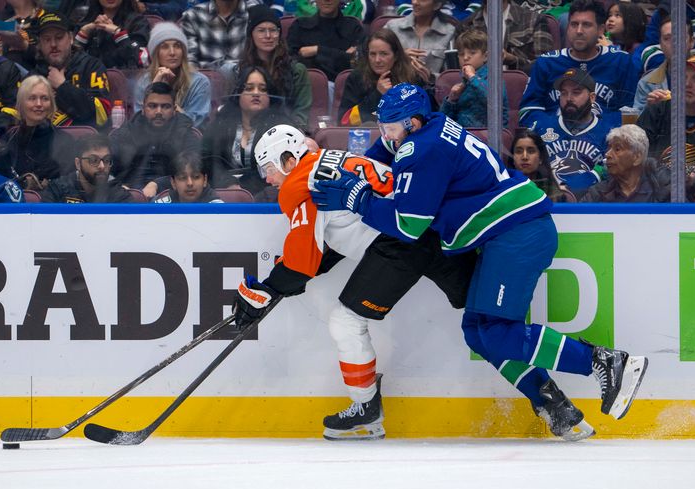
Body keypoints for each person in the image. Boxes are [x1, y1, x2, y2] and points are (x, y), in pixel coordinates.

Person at [310, 83, 648, 429]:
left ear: (412, 123)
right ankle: (554, 405)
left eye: (391, 128)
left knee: (498, 331)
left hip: (516, 234)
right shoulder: (436, 124)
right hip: (512, 232)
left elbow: (408, 226)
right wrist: (360, 169)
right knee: (478, 330)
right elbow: (384, 152)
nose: (386, 135)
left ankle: (604, 362)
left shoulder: (422, 148)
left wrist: (357, 199)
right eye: (383, 127)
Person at [234, 123, 594, 442]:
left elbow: (302, 263)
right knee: (486, 324)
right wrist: (278, 284)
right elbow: (335, 239)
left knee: (345, 320)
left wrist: (266, 290)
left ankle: (365, 412)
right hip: (428, 232)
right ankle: (554, 403)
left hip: (398, 245)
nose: (267, 179)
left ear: (288, 158)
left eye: (268, 168)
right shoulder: (334, 159)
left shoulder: (298, 183)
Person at [519, 0, 637, 128]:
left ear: (601, 30)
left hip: (605, 143)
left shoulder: (621, 61)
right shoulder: (546, 63)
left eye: (586, 25)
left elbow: (630, 112)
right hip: (553, 142)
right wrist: (555, 129)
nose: (579, 31)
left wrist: (598, 128)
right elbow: (527, 111)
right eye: (574, 24)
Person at [636, 55, 695, 202]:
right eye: (682, 77)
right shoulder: (656, 111)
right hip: (654, 198)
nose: (687, 84)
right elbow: (635, 157)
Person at [201, 66, 293, 199]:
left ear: (269, 96)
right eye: (249, 88)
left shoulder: (281, 127)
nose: (256, 93)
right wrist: (227, 182)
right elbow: (205, 159)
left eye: (262, 89)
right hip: (221, 194)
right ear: (239, 94)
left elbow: (280, 168)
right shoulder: (222, 122)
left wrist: (244, 188)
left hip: (267, 197)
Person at [528, 69, 616, 194]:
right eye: (564, 93)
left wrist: (585, 180)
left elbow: (613, 169)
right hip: (545, 196)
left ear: (592, 97)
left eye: (576, 92)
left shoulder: (609, 132)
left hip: (590, 203)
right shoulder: (541, 127)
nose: (568, 98)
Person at [111, 82, 202, 197]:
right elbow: (106, 164)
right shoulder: (127, 131)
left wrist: (158, 184)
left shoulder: (184, 132)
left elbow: (194, 172)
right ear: (143, 108)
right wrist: (118, 185)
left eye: (165, 106)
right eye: (153, 106)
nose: (159, 112)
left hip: (171, 195)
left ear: (174, 110)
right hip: (128, 194)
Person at [633, 18, 695, 115]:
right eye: (667, 39)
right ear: (660, 45)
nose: (674, 44)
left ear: (692, 42)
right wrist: (652, 111)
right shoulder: (647, 82)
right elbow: (637, 128)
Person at [236, 5, 311, 131]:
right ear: (251, 35)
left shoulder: (297, 70)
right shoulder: (241, 70)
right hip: (248, 131)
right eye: (261, 30)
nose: (268, 36)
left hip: (287, 132)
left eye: (273, 30)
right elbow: (235, 108)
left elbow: (301, 113)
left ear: (279, 34)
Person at [30, 11, 112, 128]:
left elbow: (101, 113)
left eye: (59, 37)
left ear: (71, 39)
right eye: (47, 39)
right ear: (40, 44)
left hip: (86, 142)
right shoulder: (34, 76)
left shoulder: (91, 66)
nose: (53, 44)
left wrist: (62, 86)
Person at [0, 76, 74, 191]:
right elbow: (0, 183)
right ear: (21, 103)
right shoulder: (8, 140)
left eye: (44, 98)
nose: (39, 104)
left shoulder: (66, 141)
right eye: (32, 98)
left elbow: (68, 185)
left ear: (51, 104)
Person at [338, 29, 431, 126]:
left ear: (396, 56)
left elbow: (426, 118)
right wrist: (377, 95)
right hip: (367, 136)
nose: (377, 60)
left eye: (384, 54)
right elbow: (344, 121)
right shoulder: (357, 78)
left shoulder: (412, 77)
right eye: (373, 54)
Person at [134, 22, 211, 128]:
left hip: (185, 140)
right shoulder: (144, 81)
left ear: (183, 52)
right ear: (156, 53)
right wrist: (154, 88)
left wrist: (167, 99)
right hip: (150, 139)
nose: (172, 52)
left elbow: (194, 124)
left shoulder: (199, 82)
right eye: (164, 47)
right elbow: (139, 124)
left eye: (177, 46)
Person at [456, 0, 555, 74]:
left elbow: (545, 65)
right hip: (478, 92)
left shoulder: (533, 20)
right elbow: (459, 71)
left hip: (524, 89)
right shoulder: (466, 26)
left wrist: (512, 60)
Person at [580, 124, 670, 203]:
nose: (607, 154)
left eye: (617, 149)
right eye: (609, 148)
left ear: (637, 157)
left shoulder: (663, 189)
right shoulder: (598, 193)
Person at [439, 29, 508, 129]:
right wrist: (451, 100)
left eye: (472, 53)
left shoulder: (494, 76)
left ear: (486, 56)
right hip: (462, 135)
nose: (466, 57)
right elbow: (444, 121)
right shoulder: (462, 79)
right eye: (461, 54)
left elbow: (494, 102)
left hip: (490, 136)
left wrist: (472, 77)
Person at [286, 0, 364, 83]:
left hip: (344, 87)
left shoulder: (353, 27)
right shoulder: (299, 26)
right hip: (308, 85)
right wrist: (342, 56)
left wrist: (317, 50)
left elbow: (356, 62)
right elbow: (290, 62)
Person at [42, 133, 134, 203]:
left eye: (106, 160)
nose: (102, 166)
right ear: (78, 163)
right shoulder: (57, 190)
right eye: (93, 160)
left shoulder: (119, 196)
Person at [384, 0, 457, 77]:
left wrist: (431, 77)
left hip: (432, 87)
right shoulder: (392, 27)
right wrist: (400, 57)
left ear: (437, 5)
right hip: (395, 85)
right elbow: (376, 60)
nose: (415, 2)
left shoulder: (449, 32)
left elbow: (451, 76)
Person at [181, 0, 259, 70]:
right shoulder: (193, 16)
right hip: (208, 78)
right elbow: (189, 61)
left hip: (248, 79)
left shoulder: (255, 12)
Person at [74, 0, 150, 69]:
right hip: (90, 78)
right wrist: (84, 33)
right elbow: (70, 61)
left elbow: (140, 58)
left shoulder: (138, 21)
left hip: (126, 79)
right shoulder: (86, 23)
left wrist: (118, 33)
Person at [509, 129, 570, 203]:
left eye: (531, 151)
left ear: (540, 158)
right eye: (519, 151)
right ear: (513, 157)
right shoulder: (504, 191)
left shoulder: (555, 195)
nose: (524, 157)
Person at [0, 0, 47, 73]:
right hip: (1, 77)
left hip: (34, 78)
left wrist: (25, 46)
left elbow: (51, 57)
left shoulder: (46, 18)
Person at [153, 151, 223, 203]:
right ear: (173, 183)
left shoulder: (219, 210)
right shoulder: (160, 207)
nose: (190, 183)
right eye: (183, 178)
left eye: (196, 177)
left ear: (205, 180)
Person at [602, 1, 647, 74]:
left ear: (632, 19)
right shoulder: (605, 41)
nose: (610, 19)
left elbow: (632, 70)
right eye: (609, 15)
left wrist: (610, 50)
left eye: (617, 15)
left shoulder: (639, 48)